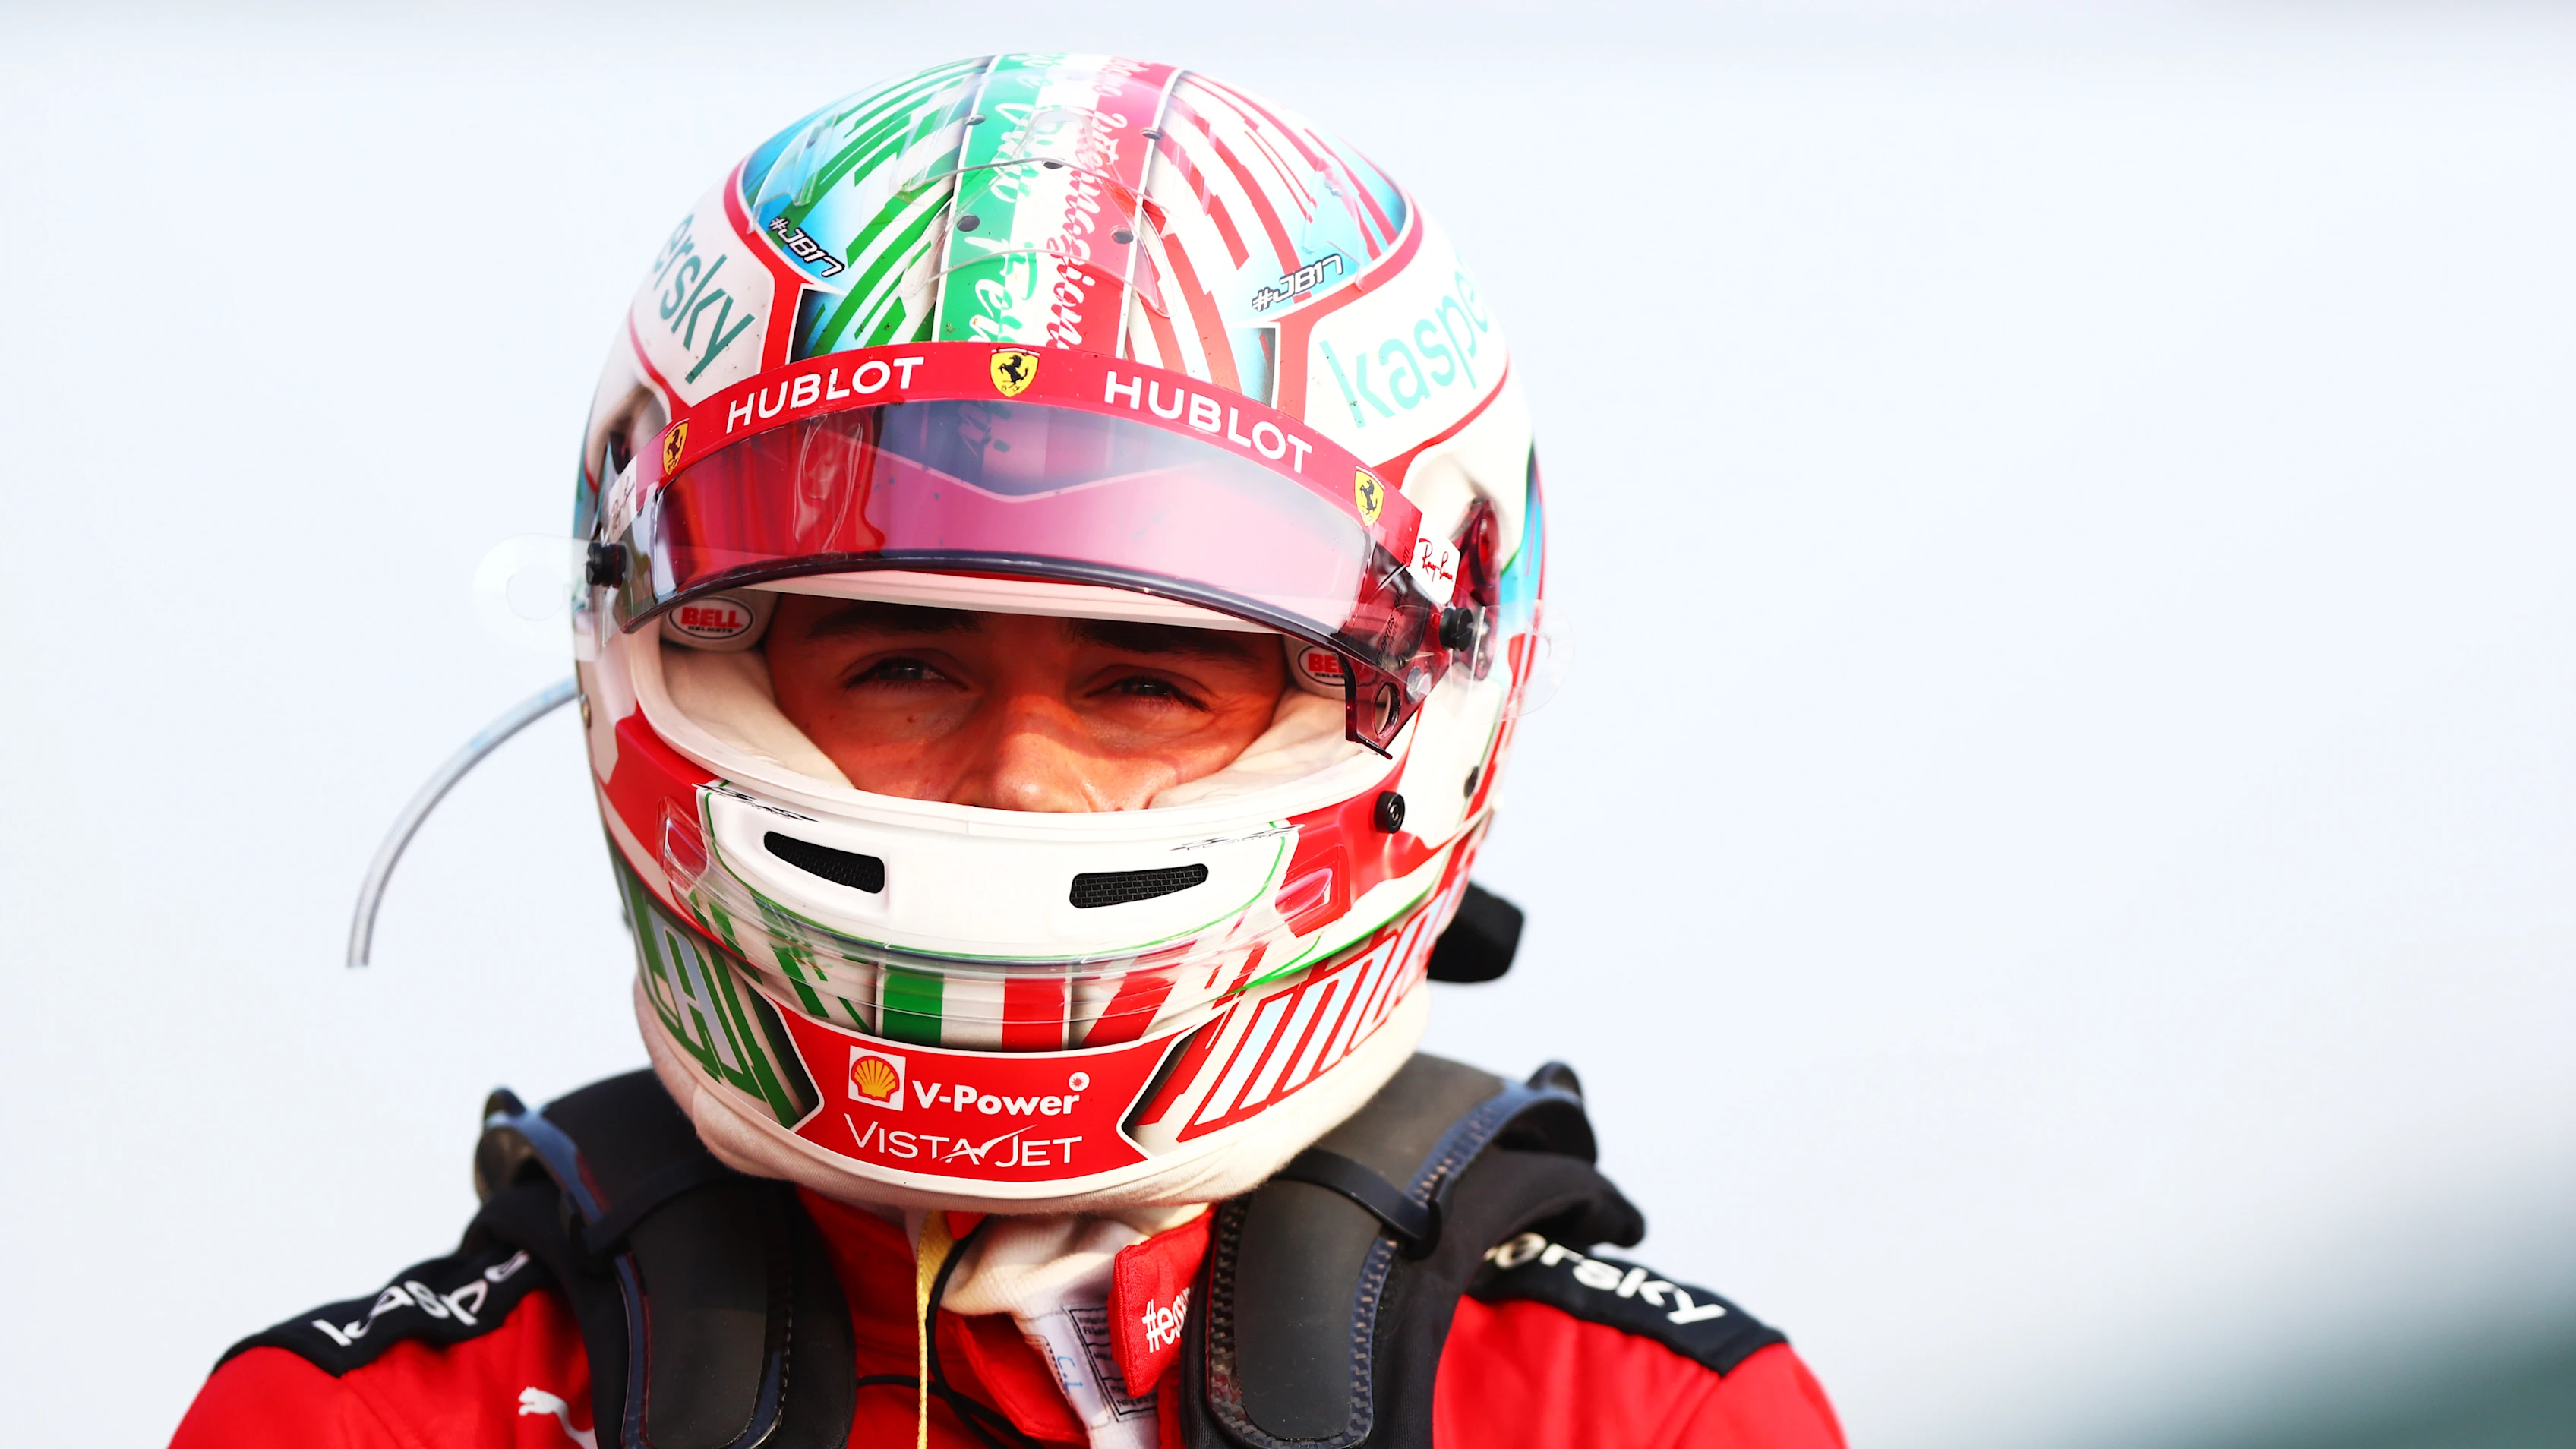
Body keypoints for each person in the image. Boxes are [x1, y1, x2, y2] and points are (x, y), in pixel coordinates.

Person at [171, 54, 1847, 1449]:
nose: (1021, 782)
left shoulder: (1635, 1416)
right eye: (905, 664)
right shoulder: (371, 1419)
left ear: (1418, 715)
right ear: (673, 668)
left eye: (1145, 684)